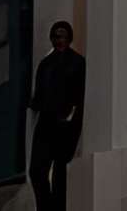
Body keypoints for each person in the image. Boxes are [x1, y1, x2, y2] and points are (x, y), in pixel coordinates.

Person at [27, 21, 85, 211]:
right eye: (56, 36)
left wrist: (72, 120)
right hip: (46, 122)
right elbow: (38, 96)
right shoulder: (45, 64)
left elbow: (81, 96)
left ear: (69, 38)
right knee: (36, 171)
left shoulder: (77, 63)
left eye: (62, 36)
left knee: (60, 172)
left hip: (65, 123)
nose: (59, 40)